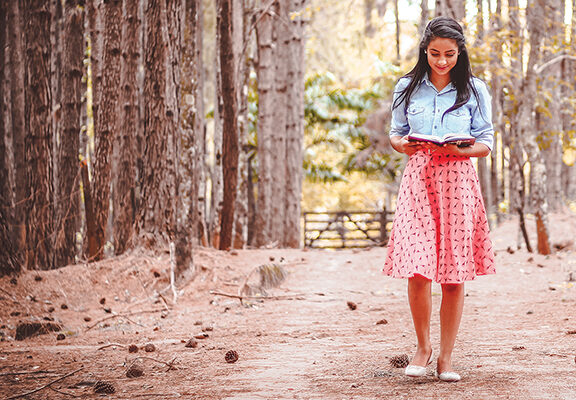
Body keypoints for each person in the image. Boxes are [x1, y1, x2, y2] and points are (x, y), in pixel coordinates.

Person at [383, 16, 495, 382]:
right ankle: (422, 347)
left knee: (452, 273)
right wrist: (404, 144)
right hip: (419, 179)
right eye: (434, 53)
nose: (442, 61)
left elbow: (486, 141)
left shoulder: (475, 89)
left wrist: (466, 149)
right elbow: (396, 134)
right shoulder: (407, 86)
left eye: (449, 54)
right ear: (425, 51)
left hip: (458, 180)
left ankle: (446, 357)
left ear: (460, 52)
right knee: (418, 268)